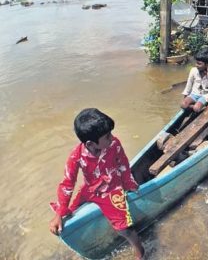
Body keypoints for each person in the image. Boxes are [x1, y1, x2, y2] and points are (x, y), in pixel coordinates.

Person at [49, 108, 144, 259]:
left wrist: (128, 183)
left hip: (112, 188)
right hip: (90, 189)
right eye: (107, 136)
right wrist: (60, 214)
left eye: (111, 134)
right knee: (69, 212)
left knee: (123, 228)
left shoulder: (114, 144)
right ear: (90, 144)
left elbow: (123, 164)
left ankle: (140, 253)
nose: (112, 138)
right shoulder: (76, 156)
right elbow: (67, 183)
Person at [181, 49, 208, 113]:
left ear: (207, 64)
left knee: (196, 108)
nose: (196, 65)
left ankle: (197, 107)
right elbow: (189, 84)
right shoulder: (193, 70)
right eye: (196, 62)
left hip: (205, 96)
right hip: (194, 94)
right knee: (183, 104)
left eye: (199, 64)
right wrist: (185, 98)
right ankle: (199, 107)